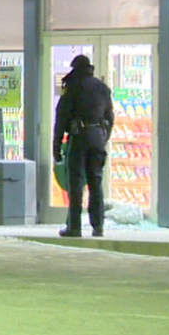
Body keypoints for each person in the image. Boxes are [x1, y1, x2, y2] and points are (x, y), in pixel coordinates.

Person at [53, 54, 114, 238]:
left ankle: (75, 226)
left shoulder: (73, 86)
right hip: (97, 137)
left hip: (79, 137)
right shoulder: (103, 88)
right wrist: (104, 138)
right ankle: (98, 226)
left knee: (76, 183)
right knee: (96, 183)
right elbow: (110, 117)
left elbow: (61, 117)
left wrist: (57, 146)